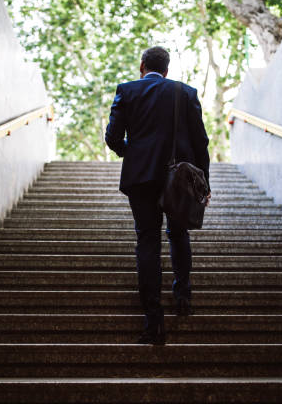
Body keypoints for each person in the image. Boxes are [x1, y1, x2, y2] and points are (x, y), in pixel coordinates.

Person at [105, 46, 211, 345]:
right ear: (166, 69)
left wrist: (134, 153)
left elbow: (112, 137)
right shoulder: (186, 93)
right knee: (178, 234)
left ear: (142, 66)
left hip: (141, 178)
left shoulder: (127, 91)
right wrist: (205, 184)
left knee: (148, 240)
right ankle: (182, 296)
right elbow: (200, 141)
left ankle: (153, 320)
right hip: (179, 178)